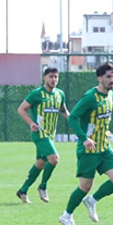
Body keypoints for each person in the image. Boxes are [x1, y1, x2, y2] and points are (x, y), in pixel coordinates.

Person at [59, 62, 113, 225]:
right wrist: (84, 138)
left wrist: (105, 131)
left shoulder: (110, 95)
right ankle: (66, 215)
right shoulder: (89, 97)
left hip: (104, 147)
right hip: (88, 150)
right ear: (99, 78)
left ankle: (91, 201)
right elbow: (73, 117)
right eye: (109, 77)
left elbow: (100, 119)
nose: (112, 80)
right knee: (85, 186)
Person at [15, 67, 69, 204]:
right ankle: (43, 186)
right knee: (54, 159)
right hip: (39, 133)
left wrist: (75, 122)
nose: (54, 80)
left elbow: (64, 111)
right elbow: (21, 109)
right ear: (45, 78)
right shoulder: (37, 93)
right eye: (51, 76)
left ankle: (23, 190)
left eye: (56, 77)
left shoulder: (60, 94)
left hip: (50, 135)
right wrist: (31, 123)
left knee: (40, 163)